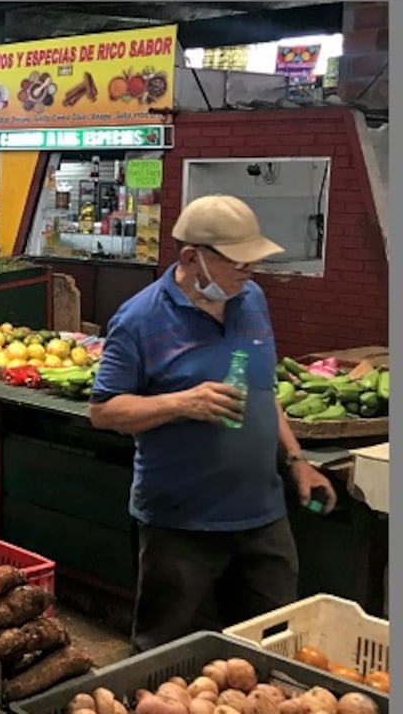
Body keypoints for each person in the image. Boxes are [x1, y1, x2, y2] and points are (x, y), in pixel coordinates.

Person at [87, 195, 337, 654]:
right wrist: (184, 403)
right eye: (237, 262)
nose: (249, 272)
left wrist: (297, 461)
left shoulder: (252, 300)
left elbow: (263, 392)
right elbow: (104, 411)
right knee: (161, 652)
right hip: (181, 522)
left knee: (274, 646)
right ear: (191, 258)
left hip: (262, 516)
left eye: (253, 261)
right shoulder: (139, 319)